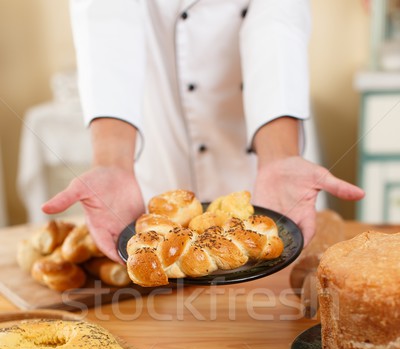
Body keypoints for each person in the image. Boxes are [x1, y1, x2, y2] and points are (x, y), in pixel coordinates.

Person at [42, 0, 364, 263]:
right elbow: (108, 19)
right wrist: (111, 161)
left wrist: (280, 156)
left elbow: (277, 20)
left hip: (269, 170)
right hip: (158, 156)